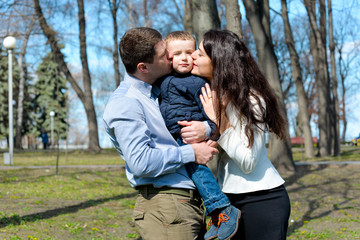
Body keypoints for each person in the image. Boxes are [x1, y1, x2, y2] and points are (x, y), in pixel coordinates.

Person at [103, 27, 219, 240]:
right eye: (164, 55)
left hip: (186, 203)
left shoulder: (159, 92)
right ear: (143, 67)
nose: (171, 56)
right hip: (167, 205)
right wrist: (191, 153)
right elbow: (140, 162)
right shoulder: (126, 103)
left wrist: (207, 129)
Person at [189, 29, 291, 240]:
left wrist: (220, 123)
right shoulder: (212, 95)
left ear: (218, 60)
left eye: (200, 53)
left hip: (262, 201)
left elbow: (248, 162)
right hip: (228, 202)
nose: (193, 57)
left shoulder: (252, 100)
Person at [159, 31, 240, 240]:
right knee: (193, 176)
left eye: (189, 52)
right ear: (167, 57)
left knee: (199, 173)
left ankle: (222, 208)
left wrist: (208, 130)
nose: (184, 57)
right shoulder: (164, 80)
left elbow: (214, 117)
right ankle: (214, 216)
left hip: (189, 135)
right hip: (175, 136)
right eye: (177, 54)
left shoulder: (197, 83)